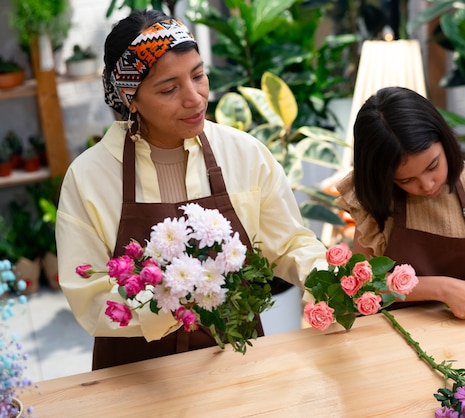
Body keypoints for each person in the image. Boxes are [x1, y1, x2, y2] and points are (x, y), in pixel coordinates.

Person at [55, 10, 327, 369]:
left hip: (235, 361)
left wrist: (328, 282)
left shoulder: (244, 154)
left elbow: (290, 244)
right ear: (131, 98)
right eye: (169, 88)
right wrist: (171, 305)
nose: (195, 98)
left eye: (199, 76)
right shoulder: (89, 177)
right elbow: (89, 295)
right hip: (137, 376)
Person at [335, 86, 465, 325]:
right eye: (406, 180)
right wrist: (439, 288)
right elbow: (361, 287)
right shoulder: (378, 197)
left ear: (444, 141)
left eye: (433, 166)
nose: (427, 185)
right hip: (396, 334)